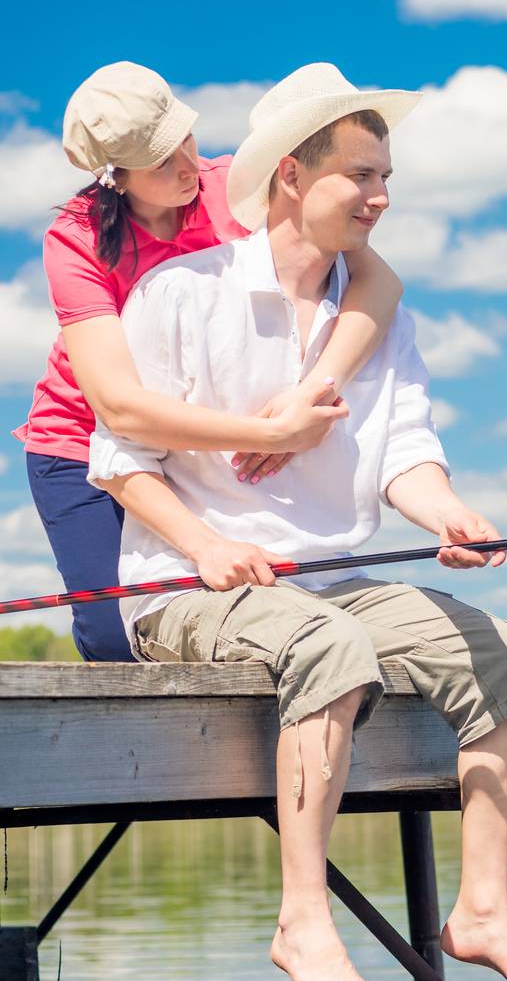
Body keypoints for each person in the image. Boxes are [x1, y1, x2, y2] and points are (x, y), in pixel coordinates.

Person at [86, 63, 507, 981]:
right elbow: (119, 460)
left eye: (387, 176)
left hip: (335, 581)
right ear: (291, 177)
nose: (382, 197)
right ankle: (302, 919)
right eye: (361, 175)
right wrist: (202, 545)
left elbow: (405, 452)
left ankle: (480, 909)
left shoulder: (377, 315)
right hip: (187, 589)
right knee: (329, 646)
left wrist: (448, 516)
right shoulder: (179, 294)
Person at [15, 61, 402, 661]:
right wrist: (271, 433)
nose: (189, 167)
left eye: (186, 141)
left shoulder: (234, 188)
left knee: (247, 607)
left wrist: (310, 392)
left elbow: (378, 284)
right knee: (114, 635)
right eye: (162, 162)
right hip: (80, 444)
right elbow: (120, 408)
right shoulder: (76, 237)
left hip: (201, 447)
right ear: (114, 177)